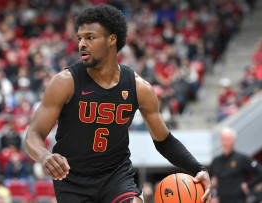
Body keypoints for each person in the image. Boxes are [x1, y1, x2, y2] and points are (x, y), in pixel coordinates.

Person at [24, 4, 211, 203]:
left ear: (112, 39)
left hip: (115, 176)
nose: (81, 44)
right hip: (72, 180)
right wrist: (44, 156)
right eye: (80, 38)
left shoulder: (139, 88)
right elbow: (32, 135)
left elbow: (163, 141)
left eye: (90, 37)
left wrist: (198, 169)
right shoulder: (65, 82)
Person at [210, 127, 262, 203]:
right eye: (223, 139)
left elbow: (260, 172)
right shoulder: (216, 161)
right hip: (221, 200)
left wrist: (248, 185)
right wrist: (213, 196)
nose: (225, 143)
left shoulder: (242, 158)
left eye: (228, 139)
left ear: (234, 141)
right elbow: (211, 181)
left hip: (239, 200)